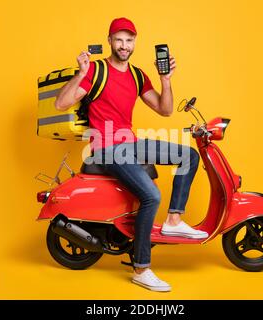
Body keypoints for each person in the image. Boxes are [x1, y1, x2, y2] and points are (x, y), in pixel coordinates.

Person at [54, 17, 208, 292]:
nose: (124, 45)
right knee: (151, 195)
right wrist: (80, 72)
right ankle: (141, 268)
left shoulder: (138, 75)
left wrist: (166, 80)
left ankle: (174, 221)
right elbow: (60, 103)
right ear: (110, 41)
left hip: (129, 142)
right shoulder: (97, 70)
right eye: (119, 40)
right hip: (105, 147)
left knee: (189, 156)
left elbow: (165, 109)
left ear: (134, 43)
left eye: (129, 40)